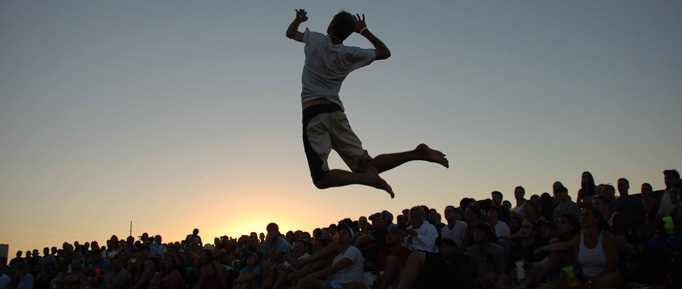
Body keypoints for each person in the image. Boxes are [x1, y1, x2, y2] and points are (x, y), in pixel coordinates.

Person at [286, 9, 449, 198]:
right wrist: (364, 31)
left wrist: (298, 20)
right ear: (348, 33)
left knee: (321, 178)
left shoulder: (315, 39)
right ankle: (417, 154)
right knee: (366, 165)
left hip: (314, 114)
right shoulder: (351, 53)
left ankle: (366, 179)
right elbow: (384, 52)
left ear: (331, 25)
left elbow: (290, 33)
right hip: (336, 112)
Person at [537, 207, 623, 289]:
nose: (583, 217)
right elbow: (575, 265)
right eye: (582, 215)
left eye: (587, 215)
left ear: (596, 219)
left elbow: (611, 267)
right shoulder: (578, 239)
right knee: (555, 284)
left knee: (612, 278)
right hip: (583, 278)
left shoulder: (607, 238)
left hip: (602, 278)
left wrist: (591, 281)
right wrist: (571, 278)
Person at [295, 224, 365, 289]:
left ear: (350, 238)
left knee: (310, 280)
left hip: (345, 285)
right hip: (335, 284)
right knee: (306, 282)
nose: (340, 235)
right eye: (339, 233)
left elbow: (334, 268)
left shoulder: (353, 250)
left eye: (344, 233)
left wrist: (311, 276)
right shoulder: (338, 257)